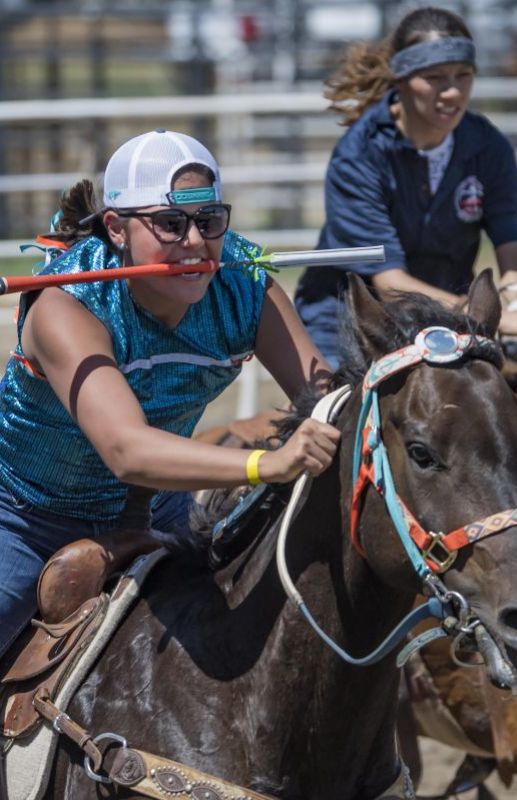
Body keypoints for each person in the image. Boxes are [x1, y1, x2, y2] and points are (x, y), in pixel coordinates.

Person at [0, 129, 340, 659]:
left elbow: (327, 398)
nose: (195, 242)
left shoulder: (247, 280)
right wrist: (268, 465)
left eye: (209, 221)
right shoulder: (64, 305)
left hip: (161, 512)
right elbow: (127, 451)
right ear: (116, 228)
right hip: (25, 519)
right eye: (170, 223)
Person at [294, 6, 517, 366]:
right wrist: (490, 317)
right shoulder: (358, 156)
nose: (453, 92)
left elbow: (513, 264)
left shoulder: (490, 148)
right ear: (400, 79)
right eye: (435, 77)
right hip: (352, 329)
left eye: (463, 75)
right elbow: (391, 286)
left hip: (448, 324)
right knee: (334, 420)